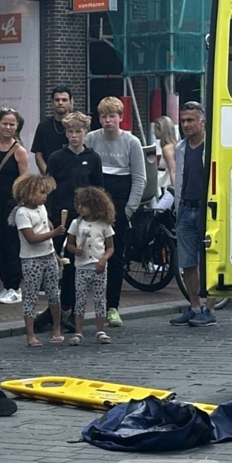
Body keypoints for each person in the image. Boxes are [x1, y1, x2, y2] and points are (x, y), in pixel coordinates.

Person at [84, 96, 146, 327]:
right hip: (94, 203)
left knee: (116, 255)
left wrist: (129, 210)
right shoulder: (91, 139)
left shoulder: (132, 143)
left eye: (112, 116)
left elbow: (139, 178)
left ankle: (112, 307)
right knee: (87, 254)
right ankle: (82, 306)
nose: (107, 120)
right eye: (103, 116)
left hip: (119, 203)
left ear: (121, 117)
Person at [40, 111, 103, 332]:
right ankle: (55, 307)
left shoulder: (93, 158)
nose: (74, 135)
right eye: (70, 131)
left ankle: (73, 308)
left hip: (84, 218)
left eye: (78, 131)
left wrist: (96, 217)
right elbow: (48, 188)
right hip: (60, 216)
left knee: (78, 264)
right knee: (55, 263)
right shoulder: (56, 158)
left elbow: (98, 189)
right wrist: (47, 216)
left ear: (85, 132)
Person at [169, 101, 217, 327]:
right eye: (183, 121)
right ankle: (195, 306)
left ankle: (210, 308)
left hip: (208, 209)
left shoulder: (213, 146)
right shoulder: (181, 148)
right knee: (187, 261)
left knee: (211, 259)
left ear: (202, 122)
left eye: (190, 120)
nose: (186, 125)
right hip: (186, 207)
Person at [14, 173, 65, 347]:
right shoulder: (22, 213)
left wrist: (54, 253)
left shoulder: (41, 208)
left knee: (54, 294)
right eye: (42, 193)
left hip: (48, 255)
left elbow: (46, 225)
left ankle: (57, 329)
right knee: (31, 296)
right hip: (31, 259)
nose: (45, 196)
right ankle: (30, 335)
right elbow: (31, 238)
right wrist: (54, 233)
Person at [0, 108, 29, 304]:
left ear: (16, 127)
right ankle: (5, 285)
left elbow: (24, 181)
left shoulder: (19, 151)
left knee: (12, 245)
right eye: (5, 123)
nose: (8, 127)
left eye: (12, 124)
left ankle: (15, 287)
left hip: (12, 203)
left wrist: (21, 205)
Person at [67, 186, 115, 345]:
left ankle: (100, 330)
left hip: (98, 268)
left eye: (85, 205)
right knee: (80, 300)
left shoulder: (104, 225)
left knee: (100, 300)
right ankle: (78, 332)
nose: (80, 208)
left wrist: (103, 259)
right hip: (81, 268)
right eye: (79, 204)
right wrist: (75, 250)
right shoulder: (76, 223)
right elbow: (69, 244)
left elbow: (110, 247)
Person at [31, 86, 74, 174]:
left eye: (64, 100)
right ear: (52, 103)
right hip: (49, 176)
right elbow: (38, 155)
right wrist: (48, 174)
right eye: (57, 100)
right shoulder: (43, 126)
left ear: (70, 102)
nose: (60, 103)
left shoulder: (76, 126)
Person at [154, 115, 179, 187]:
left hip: (167, 186)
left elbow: (173, 170)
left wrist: (175, 189)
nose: (154, 132)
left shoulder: (167, 149)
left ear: (161, 130)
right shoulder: (172, 146)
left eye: (155, 129)